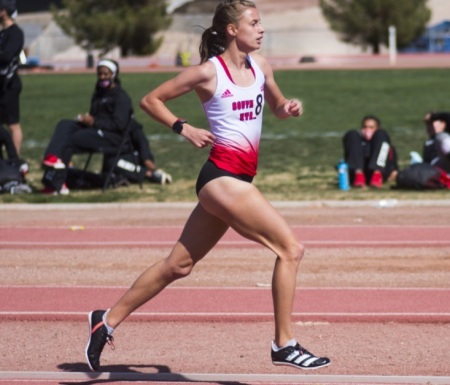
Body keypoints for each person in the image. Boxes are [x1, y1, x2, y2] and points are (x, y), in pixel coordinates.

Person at [85, 0, 330, 373]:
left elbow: (277, 107)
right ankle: (284, 343)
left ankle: (106, 320)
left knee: (178, 265)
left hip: (239, 180)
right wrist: (183, 128)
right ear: (232, 30)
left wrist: (288, 109)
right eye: (254, 22)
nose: (261, 29)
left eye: (261, 22)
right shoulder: (207, 73)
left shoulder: (261, 67)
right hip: (221, 179)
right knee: (290, 249)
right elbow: (152, 99)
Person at [42, 59, 171, 194]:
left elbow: (119, 125)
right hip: (98, 131)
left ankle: (57, 182)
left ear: (113, 74)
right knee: (64, 125)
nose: (102, 77)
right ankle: (52, 159)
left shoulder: (121, 97)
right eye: (100, 74)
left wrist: (93, 122)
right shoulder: (98, 93)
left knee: (72, 139)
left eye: (106, 74)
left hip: (114, 138)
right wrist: (87, 120)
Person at [342, 114, 398, 188]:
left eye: (371, 127)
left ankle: (377, 176)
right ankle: (359, 176)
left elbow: (392, 161)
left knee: (382, 134)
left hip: (380, 171)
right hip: (358, 173)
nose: (367, 130)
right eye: (365, 127)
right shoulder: (358, 142)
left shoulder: (382, 139)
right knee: (352, 134)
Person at [0, 0, 24, 155]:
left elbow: (7, 56)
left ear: (4, 11)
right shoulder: (2, 33)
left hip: (9, 85)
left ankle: (14, 161)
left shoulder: (15, 33)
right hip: (1, 85)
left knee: (13, 124)